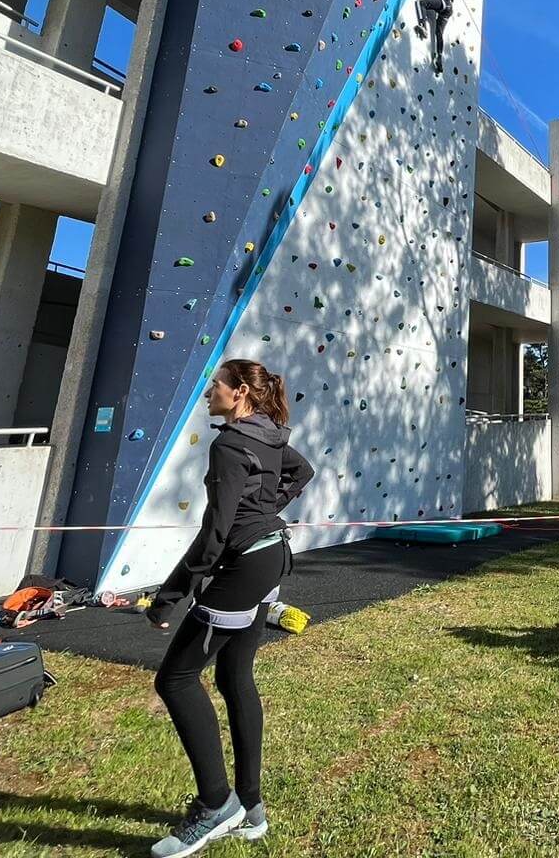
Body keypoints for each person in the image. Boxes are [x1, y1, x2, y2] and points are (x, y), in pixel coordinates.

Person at [146, 359, 314, 857]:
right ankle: (250, 808)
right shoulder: (269, 435)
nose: (207, 393)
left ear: (238, 393)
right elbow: (302, 471)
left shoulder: (230, 443)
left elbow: (215, 533)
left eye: (213, 386)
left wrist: (170, 597)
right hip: (271, 557)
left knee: (174, 679)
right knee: (233, 679)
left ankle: (218, 805)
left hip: (247, 567)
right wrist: (263, 513)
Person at [414, 0, 457, 73]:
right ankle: (439, 58)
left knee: (420, 3)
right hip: (448, 10)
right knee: (439, 33)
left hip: (443, 3)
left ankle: (422, 26)